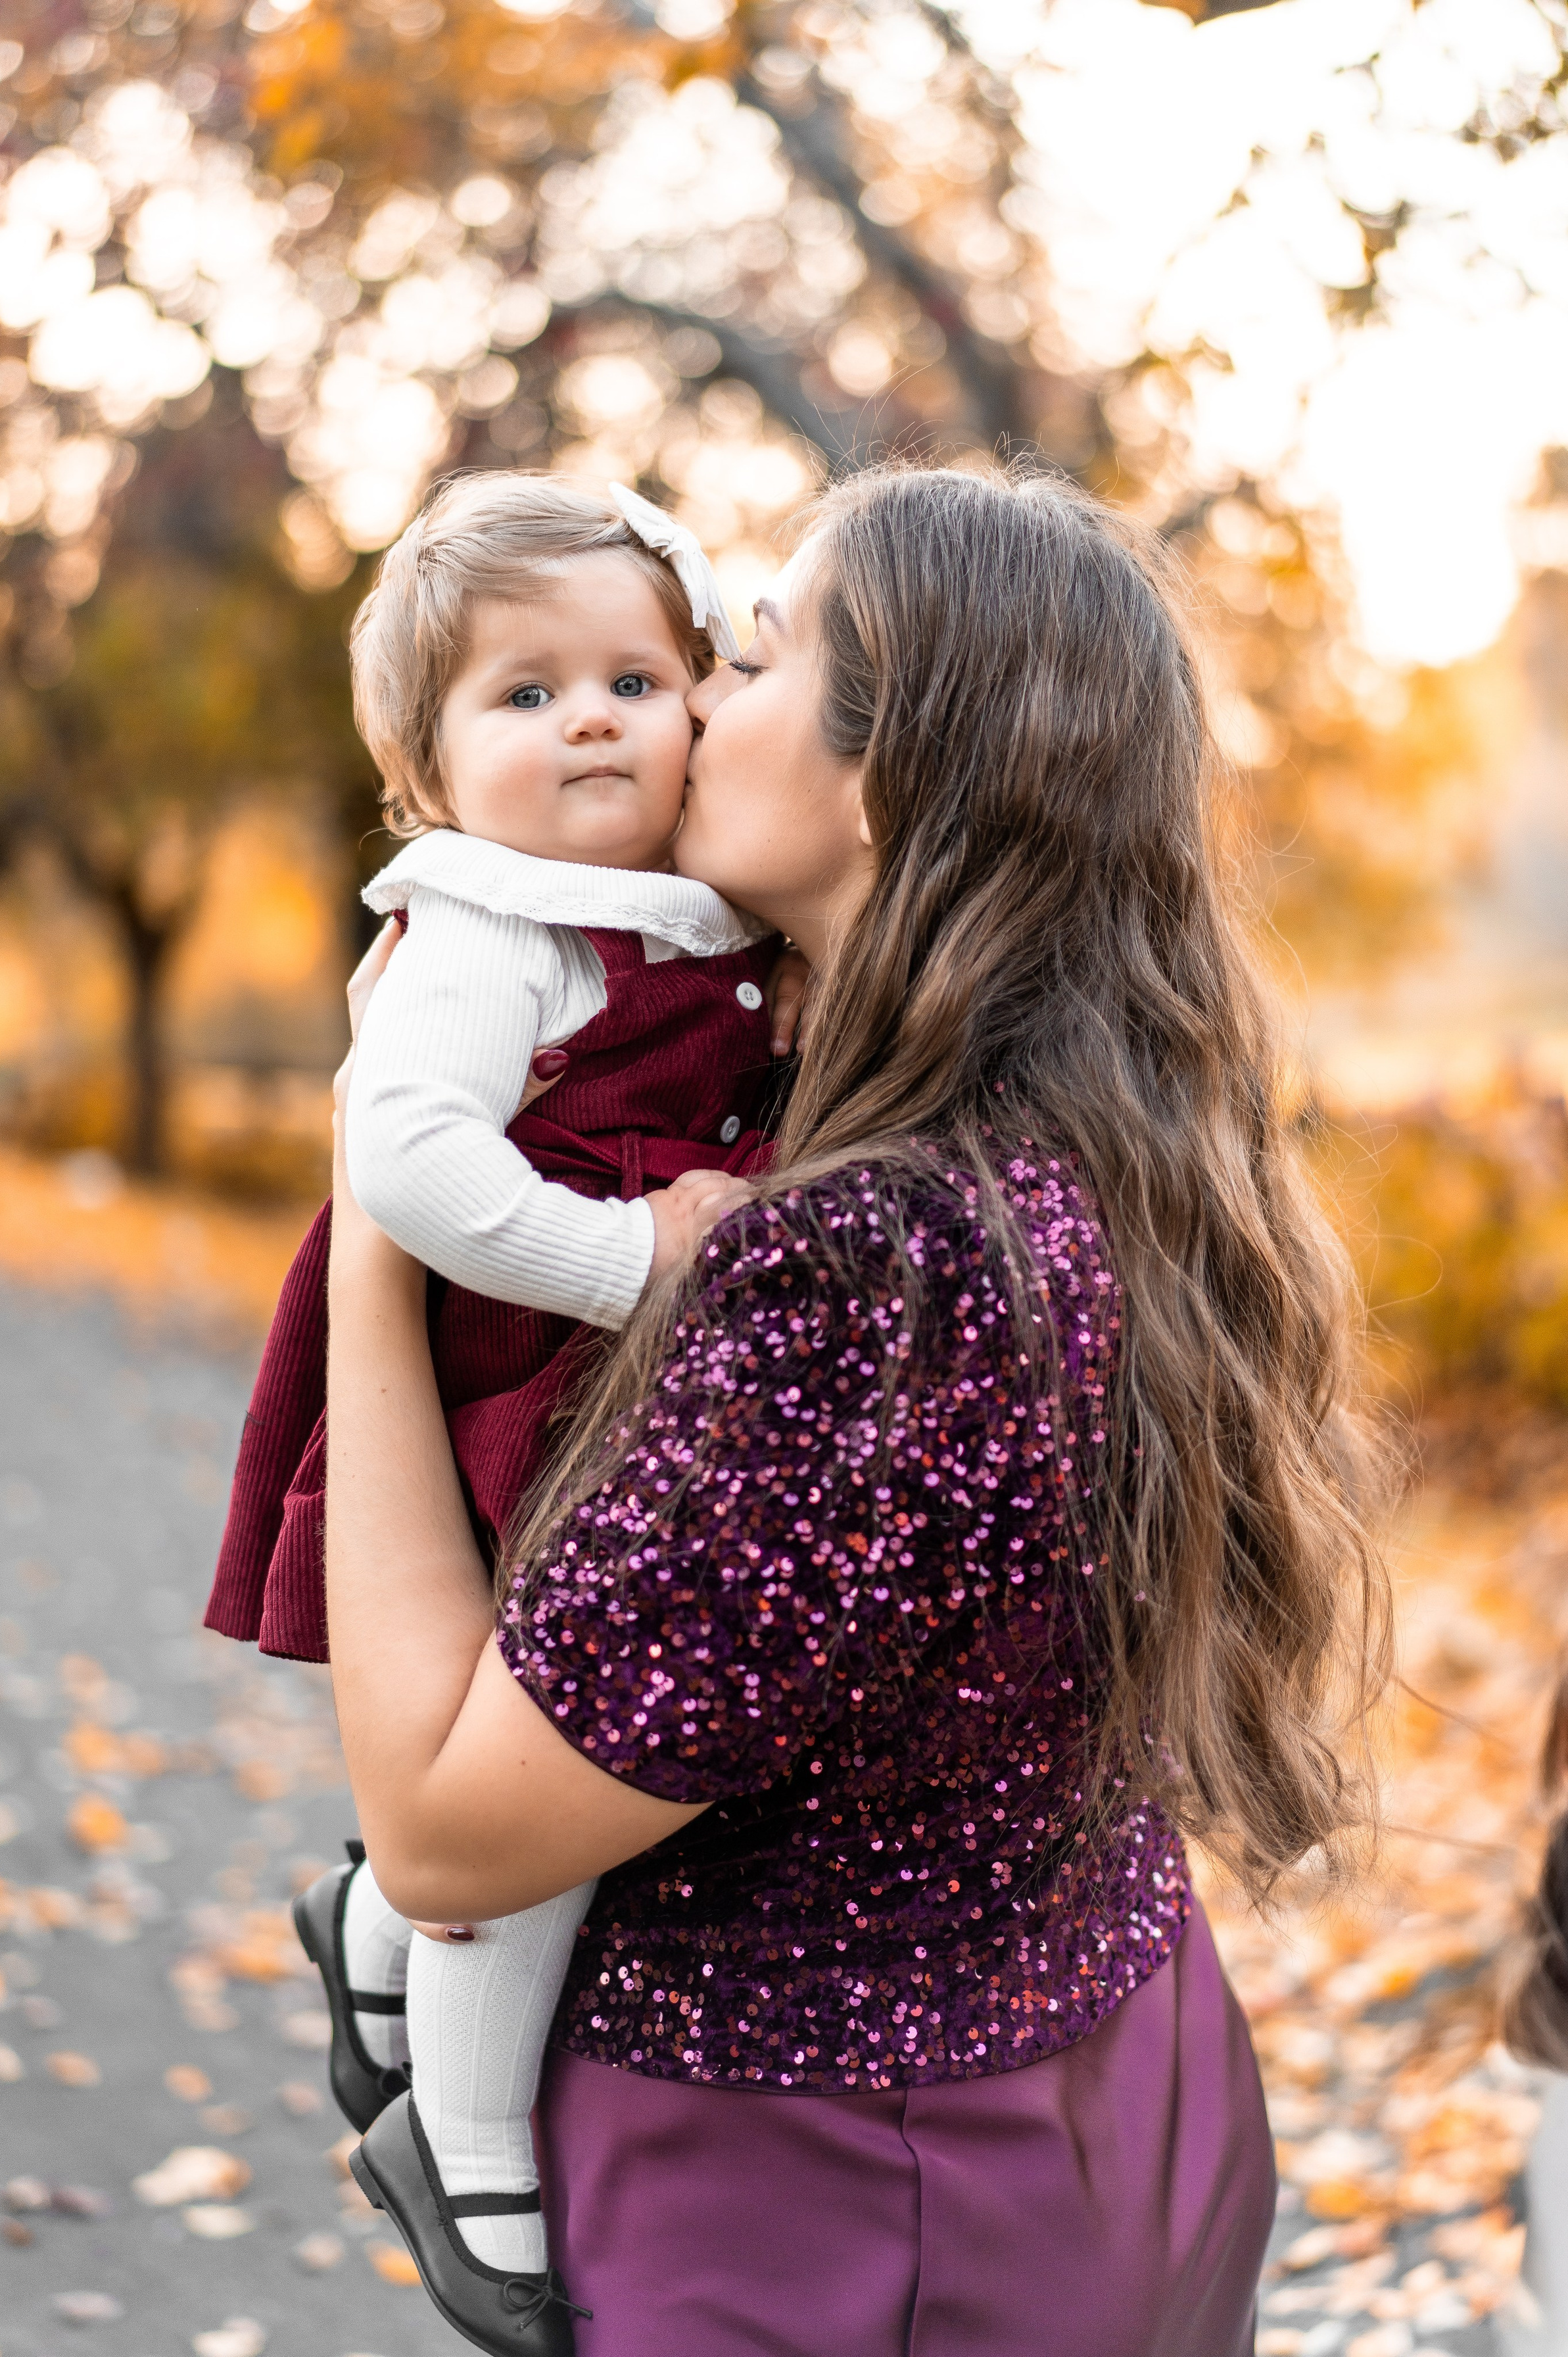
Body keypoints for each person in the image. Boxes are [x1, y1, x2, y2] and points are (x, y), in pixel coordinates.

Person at [324, 460, 1392, 2357]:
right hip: (1105, 2095)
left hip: (839, 2215)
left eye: (754, 654)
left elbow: (444, 1834)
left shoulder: (867, 1273)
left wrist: (369, 1232)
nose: (695, 702)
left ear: (893, 775)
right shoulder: (1079, 1151)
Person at [203, 472, 804, 2341]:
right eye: (524, 696)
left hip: (576, 1389)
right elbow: (405, 1159)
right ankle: (468, 2150)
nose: (594, 720)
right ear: (430, 770)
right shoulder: (489, 928)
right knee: (525, 1774)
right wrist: (633, 1266)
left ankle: (382, 1920)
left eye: (637, 675)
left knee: (565, 1756)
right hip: (503, 1383)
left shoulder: (688, 918)